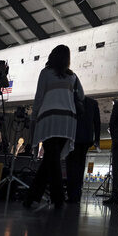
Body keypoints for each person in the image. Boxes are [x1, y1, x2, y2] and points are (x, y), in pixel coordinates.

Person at [24, 45, 84, 209]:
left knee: (52, 157)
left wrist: (34, 117)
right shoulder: (73, 76)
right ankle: (32, 197)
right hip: (68, 120)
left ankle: (58, 199)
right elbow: (82, 96)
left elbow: (39, 96)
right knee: (52, 158)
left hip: (49, 118)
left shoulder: (46, 73)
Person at [66, 96, 101, 203]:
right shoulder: (93, 102)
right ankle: (77, 194)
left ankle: (71, 194)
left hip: (72, 137)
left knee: (71, 166)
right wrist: (97, 140)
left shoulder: (71, 99)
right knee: (80, 166)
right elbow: (97, 122)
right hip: (86, 139)